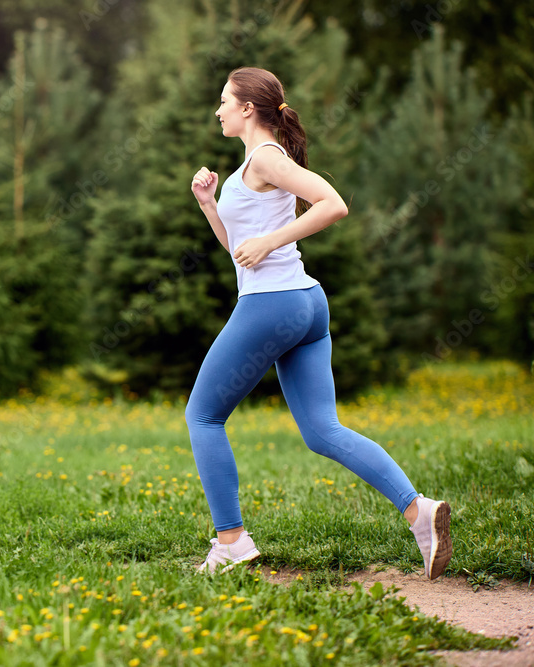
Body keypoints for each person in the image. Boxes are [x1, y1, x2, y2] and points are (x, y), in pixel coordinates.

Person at [186, 66, 452, 578]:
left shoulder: (266, 157)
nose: (217, 110)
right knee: (322, 430)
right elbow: (240, 254)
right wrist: (208, 206)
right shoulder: (252, 167)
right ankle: (419, 511)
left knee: (203, 416)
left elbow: (334, 204)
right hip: (304, 304)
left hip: (274, 306)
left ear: (247, 109)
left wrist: (273, 239)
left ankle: (232, 541)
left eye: (224, 101)